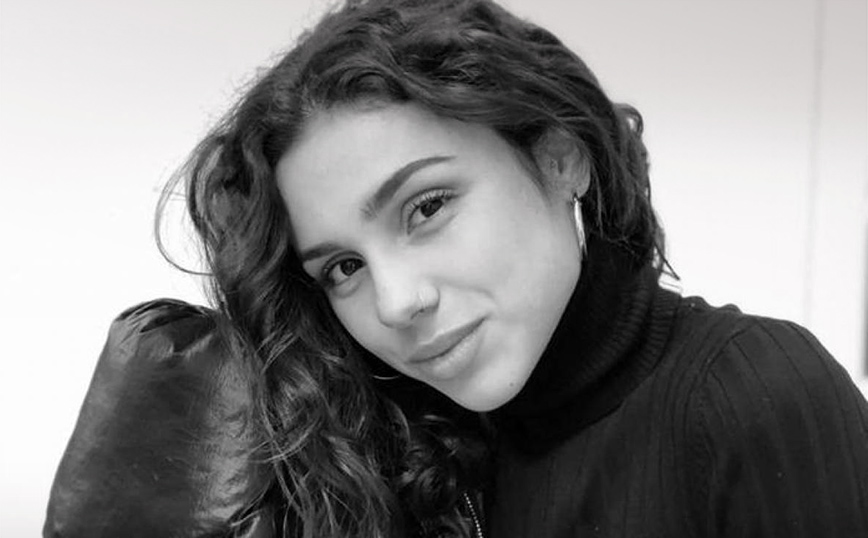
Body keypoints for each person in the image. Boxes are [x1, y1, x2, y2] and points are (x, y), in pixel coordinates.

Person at [46, 0, 868, 537]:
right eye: (342, 268)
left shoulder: (752, 394)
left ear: (559, 157)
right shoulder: (412, 447)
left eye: (427, 207)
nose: (396, 302)